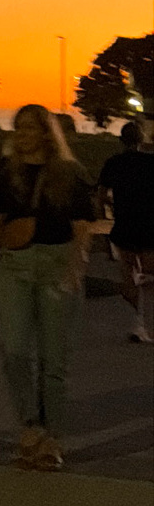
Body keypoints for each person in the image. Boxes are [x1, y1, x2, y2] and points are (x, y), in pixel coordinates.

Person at [0, 104, 97, 471]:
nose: (22, 134)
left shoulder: (69, 173)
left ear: (47, 133)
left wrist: (75, 269)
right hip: (16, 267)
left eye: (30, 128)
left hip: (57, 264)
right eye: (18, 127)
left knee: (54, 360)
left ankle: (52, 438)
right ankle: (30, 425)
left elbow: (83, 226)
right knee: (15, 351)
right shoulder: (6, 172)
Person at [96, 119, 154, 345]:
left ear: (121, 140)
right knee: (149, 272)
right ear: (141, 139)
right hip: (148, 224)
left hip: (124, 224)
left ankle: (140, 320)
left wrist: (104, 215)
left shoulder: (113, 163)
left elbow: (101, 196)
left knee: (127, 274)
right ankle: (145, 320)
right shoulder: (150, 162)